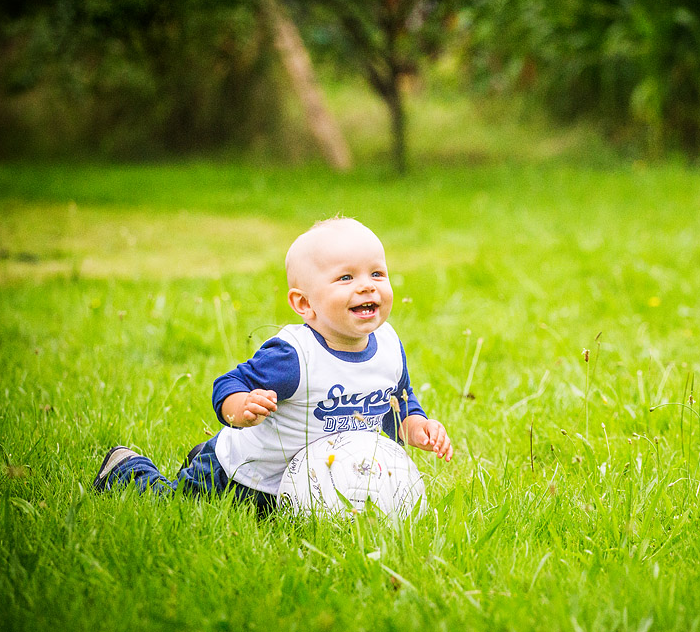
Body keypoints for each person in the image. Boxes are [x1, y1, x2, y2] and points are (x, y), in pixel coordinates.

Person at [93, 217, 453, 514]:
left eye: (377, 274)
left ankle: (199, 453)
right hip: (248, 476)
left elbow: (397, 404)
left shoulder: (388, 347)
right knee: (177, 507)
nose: (366, 287)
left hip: (307, 484)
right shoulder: (295, 356)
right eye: (346, 278)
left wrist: (417, 427)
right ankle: (126, 470)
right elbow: (229, 383)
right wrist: (241, 409)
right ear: (304, 304)